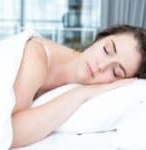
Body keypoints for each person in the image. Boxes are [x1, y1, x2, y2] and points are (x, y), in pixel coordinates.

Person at [11, 24, 146, 148]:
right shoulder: (36, 57)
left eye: (115, 72)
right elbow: (9, 133)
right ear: (100, 38)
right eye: (107, 50)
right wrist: (81, 94)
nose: (101, 66)